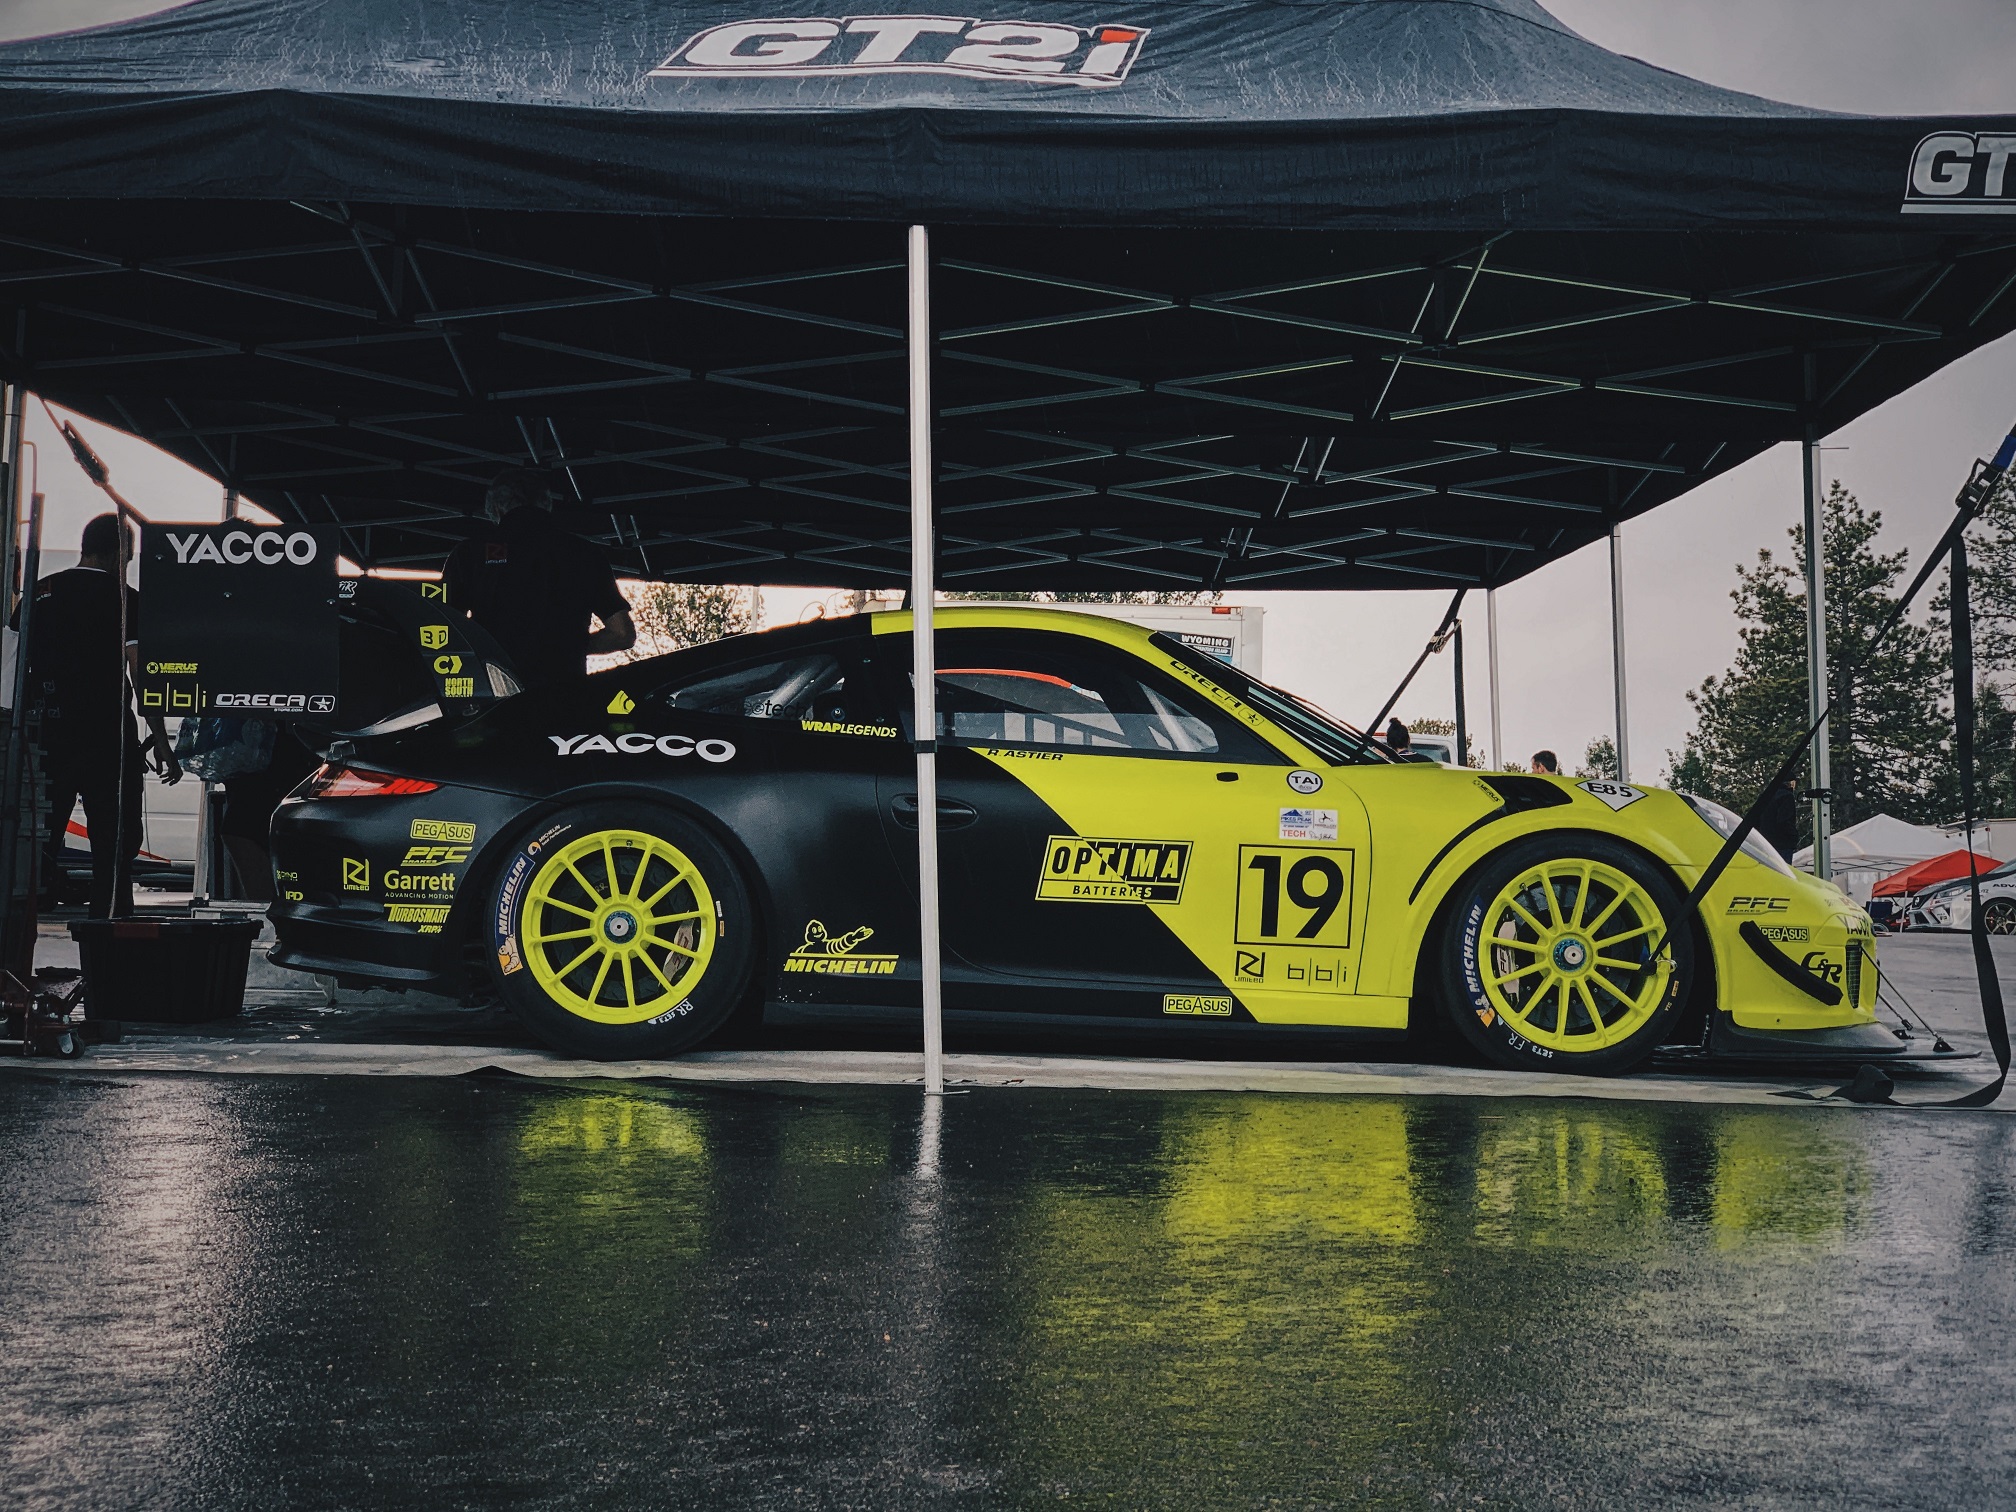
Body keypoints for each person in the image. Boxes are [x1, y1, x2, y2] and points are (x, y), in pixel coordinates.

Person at [16, 513, 180, 916]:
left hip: (44, 738)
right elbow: (141, 673)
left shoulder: (39, 592)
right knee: (114, 843)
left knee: (37, 840)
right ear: (121, 552)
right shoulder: (127, 600)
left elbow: (13, 666)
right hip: (108, 740)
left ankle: (21, 926)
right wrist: (161, 741)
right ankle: (109, 928)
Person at [442, 468, 636, 690]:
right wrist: (570, 647)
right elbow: (622, 634)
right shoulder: (584, 553)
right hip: (563, 692)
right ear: (547, 505)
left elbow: (442, 629)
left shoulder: (469, 553)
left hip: (495, 689)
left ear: (495, 508)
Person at [1756, 773, 1800, 861]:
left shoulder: (1765, 795)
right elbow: (1785, 820)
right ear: (1791, 783)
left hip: (1765, 843)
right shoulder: (1787, 796)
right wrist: (1794, 837)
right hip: (1782, 843)